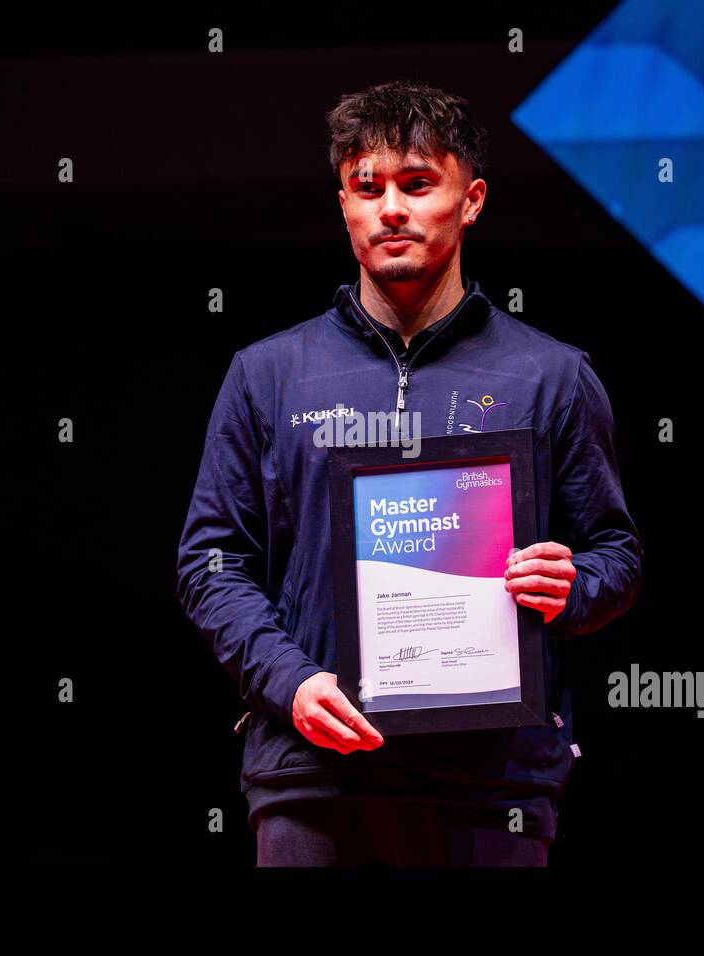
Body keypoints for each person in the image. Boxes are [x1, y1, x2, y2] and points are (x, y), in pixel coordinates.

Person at [177, 80, 643, 866]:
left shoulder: (551, 375)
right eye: (368, 186)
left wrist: (573, 588)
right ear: (344, 205)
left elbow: (615, 557)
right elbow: (209, 563)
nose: (390, 207)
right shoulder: (267, 375)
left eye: (418, 183)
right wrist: (290, 683)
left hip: (494, 788)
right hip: (312, 779)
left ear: (471, 200)